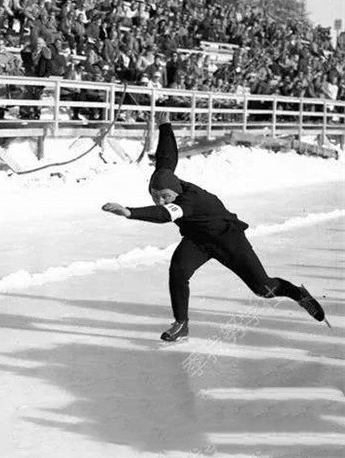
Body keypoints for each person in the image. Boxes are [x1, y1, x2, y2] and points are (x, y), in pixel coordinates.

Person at [101, 117, 327, 342]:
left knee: (263, 288)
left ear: (175, 192)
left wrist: (131, 212)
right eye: (155, 196)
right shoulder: (168, 180)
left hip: (228, 239)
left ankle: (299, 295)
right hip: (198, 240)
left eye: (165, 196)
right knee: (178, 270)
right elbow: (167, 157)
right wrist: (165, 126)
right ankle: (181, 324)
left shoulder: (189, 201)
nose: (160, 200)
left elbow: (163, 215)